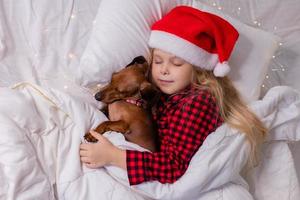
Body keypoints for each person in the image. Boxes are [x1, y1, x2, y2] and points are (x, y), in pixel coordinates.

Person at [79, 6, 267, 186]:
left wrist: (113, 156)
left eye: (176, 63)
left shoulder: (196, 103)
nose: (164, 70)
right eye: (158, 61)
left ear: (198, 69)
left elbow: (174, 167)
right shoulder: (163, 95)